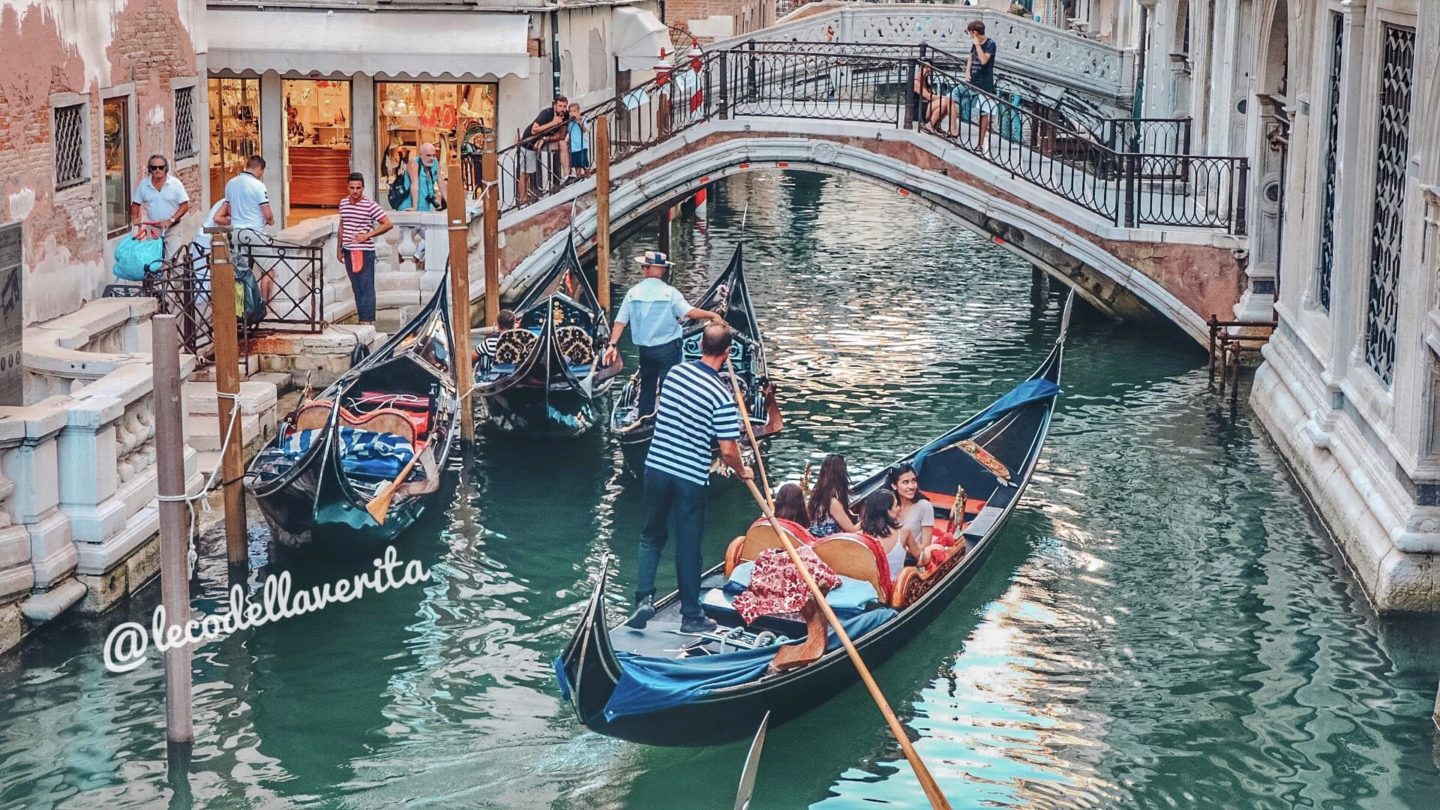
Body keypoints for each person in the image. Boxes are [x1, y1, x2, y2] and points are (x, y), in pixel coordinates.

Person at [627, 323, 753, 634]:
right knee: (688, 545)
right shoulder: (722, 398)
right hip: (689, 476)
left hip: (656, 467)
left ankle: (643, 600)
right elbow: (727, 450)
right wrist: (742, 471)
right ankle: (692, 616)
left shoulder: (675, 375)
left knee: (651, 536)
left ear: (699, 346)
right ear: (726, 354)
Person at [604, 250, 724, 417]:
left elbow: (621, 321)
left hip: (646, 351)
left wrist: (612, 344)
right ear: (662, 270)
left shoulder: (633, 293)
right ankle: (669, 418)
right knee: (671, 387)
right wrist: (711, 315)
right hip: (669, 349)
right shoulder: (670, 293)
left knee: (647, 386)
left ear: (646, 269)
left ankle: (644, 418)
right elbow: (689, 313)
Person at [337, 173, 394, 326]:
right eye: (352, 188)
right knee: (356, 287)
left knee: (366, 287)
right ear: (347, 188)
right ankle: (362, 318)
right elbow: (342, 225)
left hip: (364, 251)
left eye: (358, 188)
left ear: (363, 188)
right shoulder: (343, 203)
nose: (355, 191)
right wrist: (339, 247)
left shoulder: (370, 205)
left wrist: (368, 235)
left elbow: (387, 224)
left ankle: (367, 321)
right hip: (348, 250)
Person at [224, 154, 275, 302]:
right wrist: (270, 221)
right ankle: (265, 305)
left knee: (241, 273)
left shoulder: (230, 183)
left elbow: (228, 210)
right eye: (262, 172)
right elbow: (267, 213)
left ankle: (242, 308)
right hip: (254, 233)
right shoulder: (258, 185)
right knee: (268, 270)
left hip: (236, 233)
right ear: (259, 168)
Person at [859, 489, 927, 586]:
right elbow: (921, 558)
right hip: (895, 589)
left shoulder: (859, 535)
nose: (899, 508)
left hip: (871, 588)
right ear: (888, 511)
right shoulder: (904, 532)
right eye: (896, 505)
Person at [130, 153, 190, 259]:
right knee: (153, 259)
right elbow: (135, 203)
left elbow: (185, 206)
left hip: (173, 227)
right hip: (153, 228)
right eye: (154, 168)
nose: (158, 170)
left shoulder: (175, 184)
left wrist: (171, 220)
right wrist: (134, 218)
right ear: (150, 170)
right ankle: (158, 275)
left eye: (161, 167)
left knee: (173, 258)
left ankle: (173, 275)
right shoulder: (143, 185)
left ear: (166, 168)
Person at [520, 97, 570, 201]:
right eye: (560, 106)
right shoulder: (546, 113)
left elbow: (561, 136)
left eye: (564, 106)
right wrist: (553, 123)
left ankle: (567, 175)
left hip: (544, 141)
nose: (562, 109)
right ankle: (523, 199)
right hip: (529, 142)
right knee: (526, 174)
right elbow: (534, 130)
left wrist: (544, 139)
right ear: (554, 106)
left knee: (562, 143)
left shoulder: (565, 116)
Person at [965, 19, 999, 151]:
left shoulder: (991, 44)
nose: (969, 36)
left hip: (984, 83)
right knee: (953, 96)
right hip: (972, 81)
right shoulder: (975, 44)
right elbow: (971, 57)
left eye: (970, 33)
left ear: (974, 32)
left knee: (984, 113)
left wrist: (978, 45)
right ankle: (952, 131)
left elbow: (984, 61)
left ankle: (980, 144)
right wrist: (967, 72)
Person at [806, 453, 859, 538]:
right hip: (828, 545)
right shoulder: (832, 503)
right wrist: (866, 520)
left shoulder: (816, 495)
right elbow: (853, 531)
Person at [400, 142, 444, 212]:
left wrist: (450, 204)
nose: (432, 158)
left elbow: (441, 184)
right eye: (428, 155)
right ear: (420, 155)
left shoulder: (435, 163)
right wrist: (414, 207)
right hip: (410, 206)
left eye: (434, 155)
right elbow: (414, 184)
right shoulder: (414, 163)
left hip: (425, 207)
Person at [567, 102, 590, 180]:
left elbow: (584, 130)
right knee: (577, 166)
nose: (572, 113)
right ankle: (578, 178)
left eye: (574, 111)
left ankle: (588, 176)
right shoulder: (569, 122)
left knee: (584, 164)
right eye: (570, 111)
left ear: (578, 112)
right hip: (573, 148)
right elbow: (569, 132)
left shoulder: (582, 119)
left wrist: (579, 121)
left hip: (582, 146)